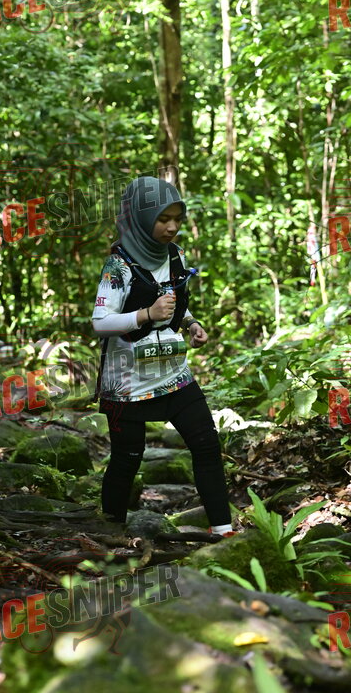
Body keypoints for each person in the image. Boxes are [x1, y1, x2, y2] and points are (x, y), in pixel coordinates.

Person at [91, 175, 236, 537]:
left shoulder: (174, 255)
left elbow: (173, 301)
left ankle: (223, 531)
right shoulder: (118, 266)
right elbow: (100, 322)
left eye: (177, 219)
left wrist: (190, 322)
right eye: (163, 219)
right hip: (127, 382)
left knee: (206, 443)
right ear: (140, 219)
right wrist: (145, 315)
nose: (172, 228)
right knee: (127, 458)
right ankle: (110, 532)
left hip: (173, 373)